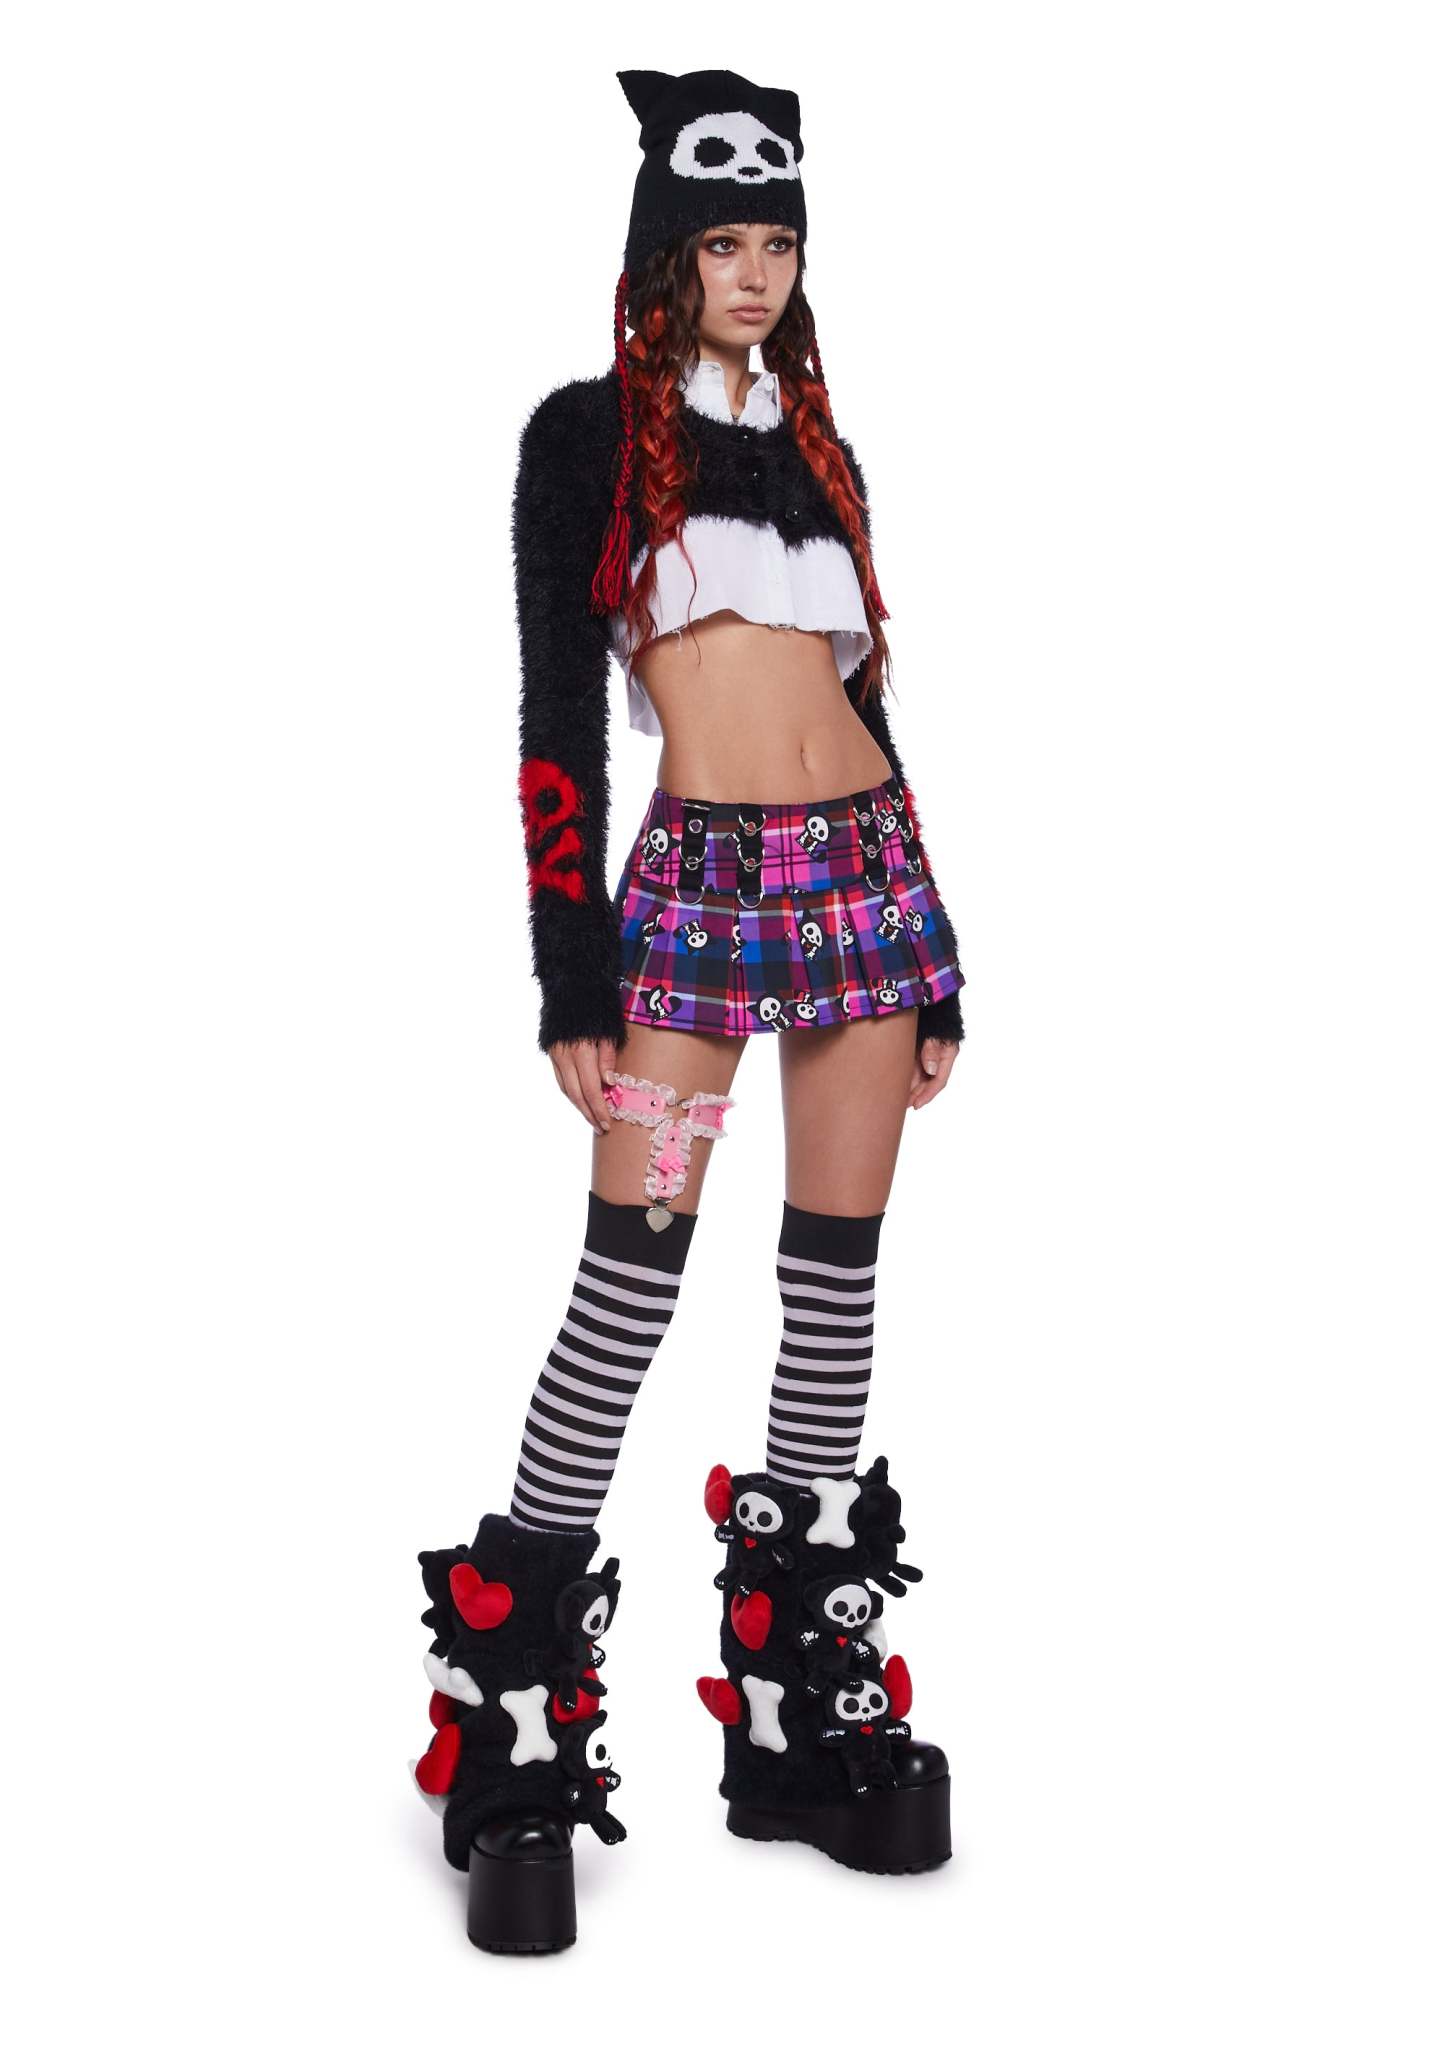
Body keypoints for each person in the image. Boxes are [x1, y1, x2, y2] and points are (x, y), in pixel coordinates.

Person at [412, 66, 967, 1954]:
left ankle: (799, 1702)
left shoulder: (823, 449)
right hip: (697, 897)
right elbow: (552, 708)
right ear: (663, 255)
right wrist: (569, 962)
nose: (753, 272)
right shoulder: (584, 439)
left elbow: (862, 701)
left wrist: (935, 940)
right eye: (721, 240)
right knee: (627, 1281)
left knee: (835, 1281)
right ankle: (507, 1707)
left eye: (776, 242)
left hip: (864, 881)